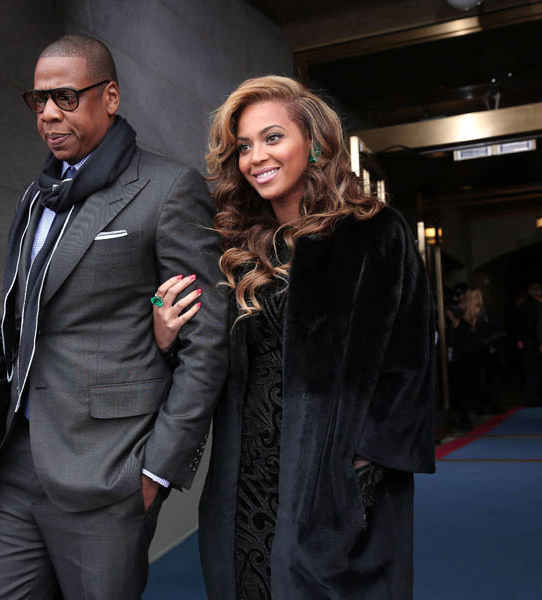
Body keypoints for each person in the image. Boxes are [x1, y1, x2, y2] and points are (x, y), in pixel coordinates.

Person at [153, 76, 435, 599]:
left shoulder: (376, 234)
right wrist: (167, 337)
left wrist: (357, 478)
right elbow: (212, 366)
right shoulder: (238, 250)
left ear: (316, 142)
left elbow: (409, 369)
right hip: (247, 477)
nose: (255, 156)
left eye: (273, 137)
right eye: (244, 146)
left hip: (335, 479)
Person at [0, 35, 228, 599]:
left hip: (107, 470)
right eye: (38, 101)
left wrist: (156, 471)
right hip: (16, 461)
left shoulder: (166, 190)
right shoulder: (36, 197)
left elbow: (206, 345)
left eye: (65, 96)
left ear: (110, 96)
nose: (49, 115)